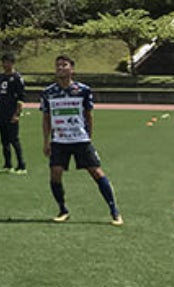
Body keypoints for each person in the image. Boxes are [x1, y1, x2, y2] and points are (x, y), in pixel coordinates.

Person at [40, 55, 121, 225]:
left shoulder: (83, 90)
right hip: (59, 140)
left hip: (80, 139)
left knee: (96, 172)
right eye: (58, 65)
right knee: (55, 174)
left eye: (64, 65)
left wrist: (89, 136)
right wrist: (46, 141)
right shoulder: (49, 92)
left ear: (72, 69)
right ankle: (63, 209)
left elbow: (88, 115)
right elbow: (46, 117)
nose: (60, 68)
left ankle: (114, 211)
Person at [0, 52, 27, 174]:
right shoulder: (0, 78)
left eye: (7, 62)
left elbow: (21, 98)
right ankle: (8, 164)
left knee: (14, 139)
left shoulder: (17, 78)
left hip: (11, 112)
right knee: (4, 140)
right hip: (1, 112)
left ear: (12, 63)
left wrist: (17, 114)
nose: (4, 65)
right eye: (3, 62)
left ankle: (21, 165)